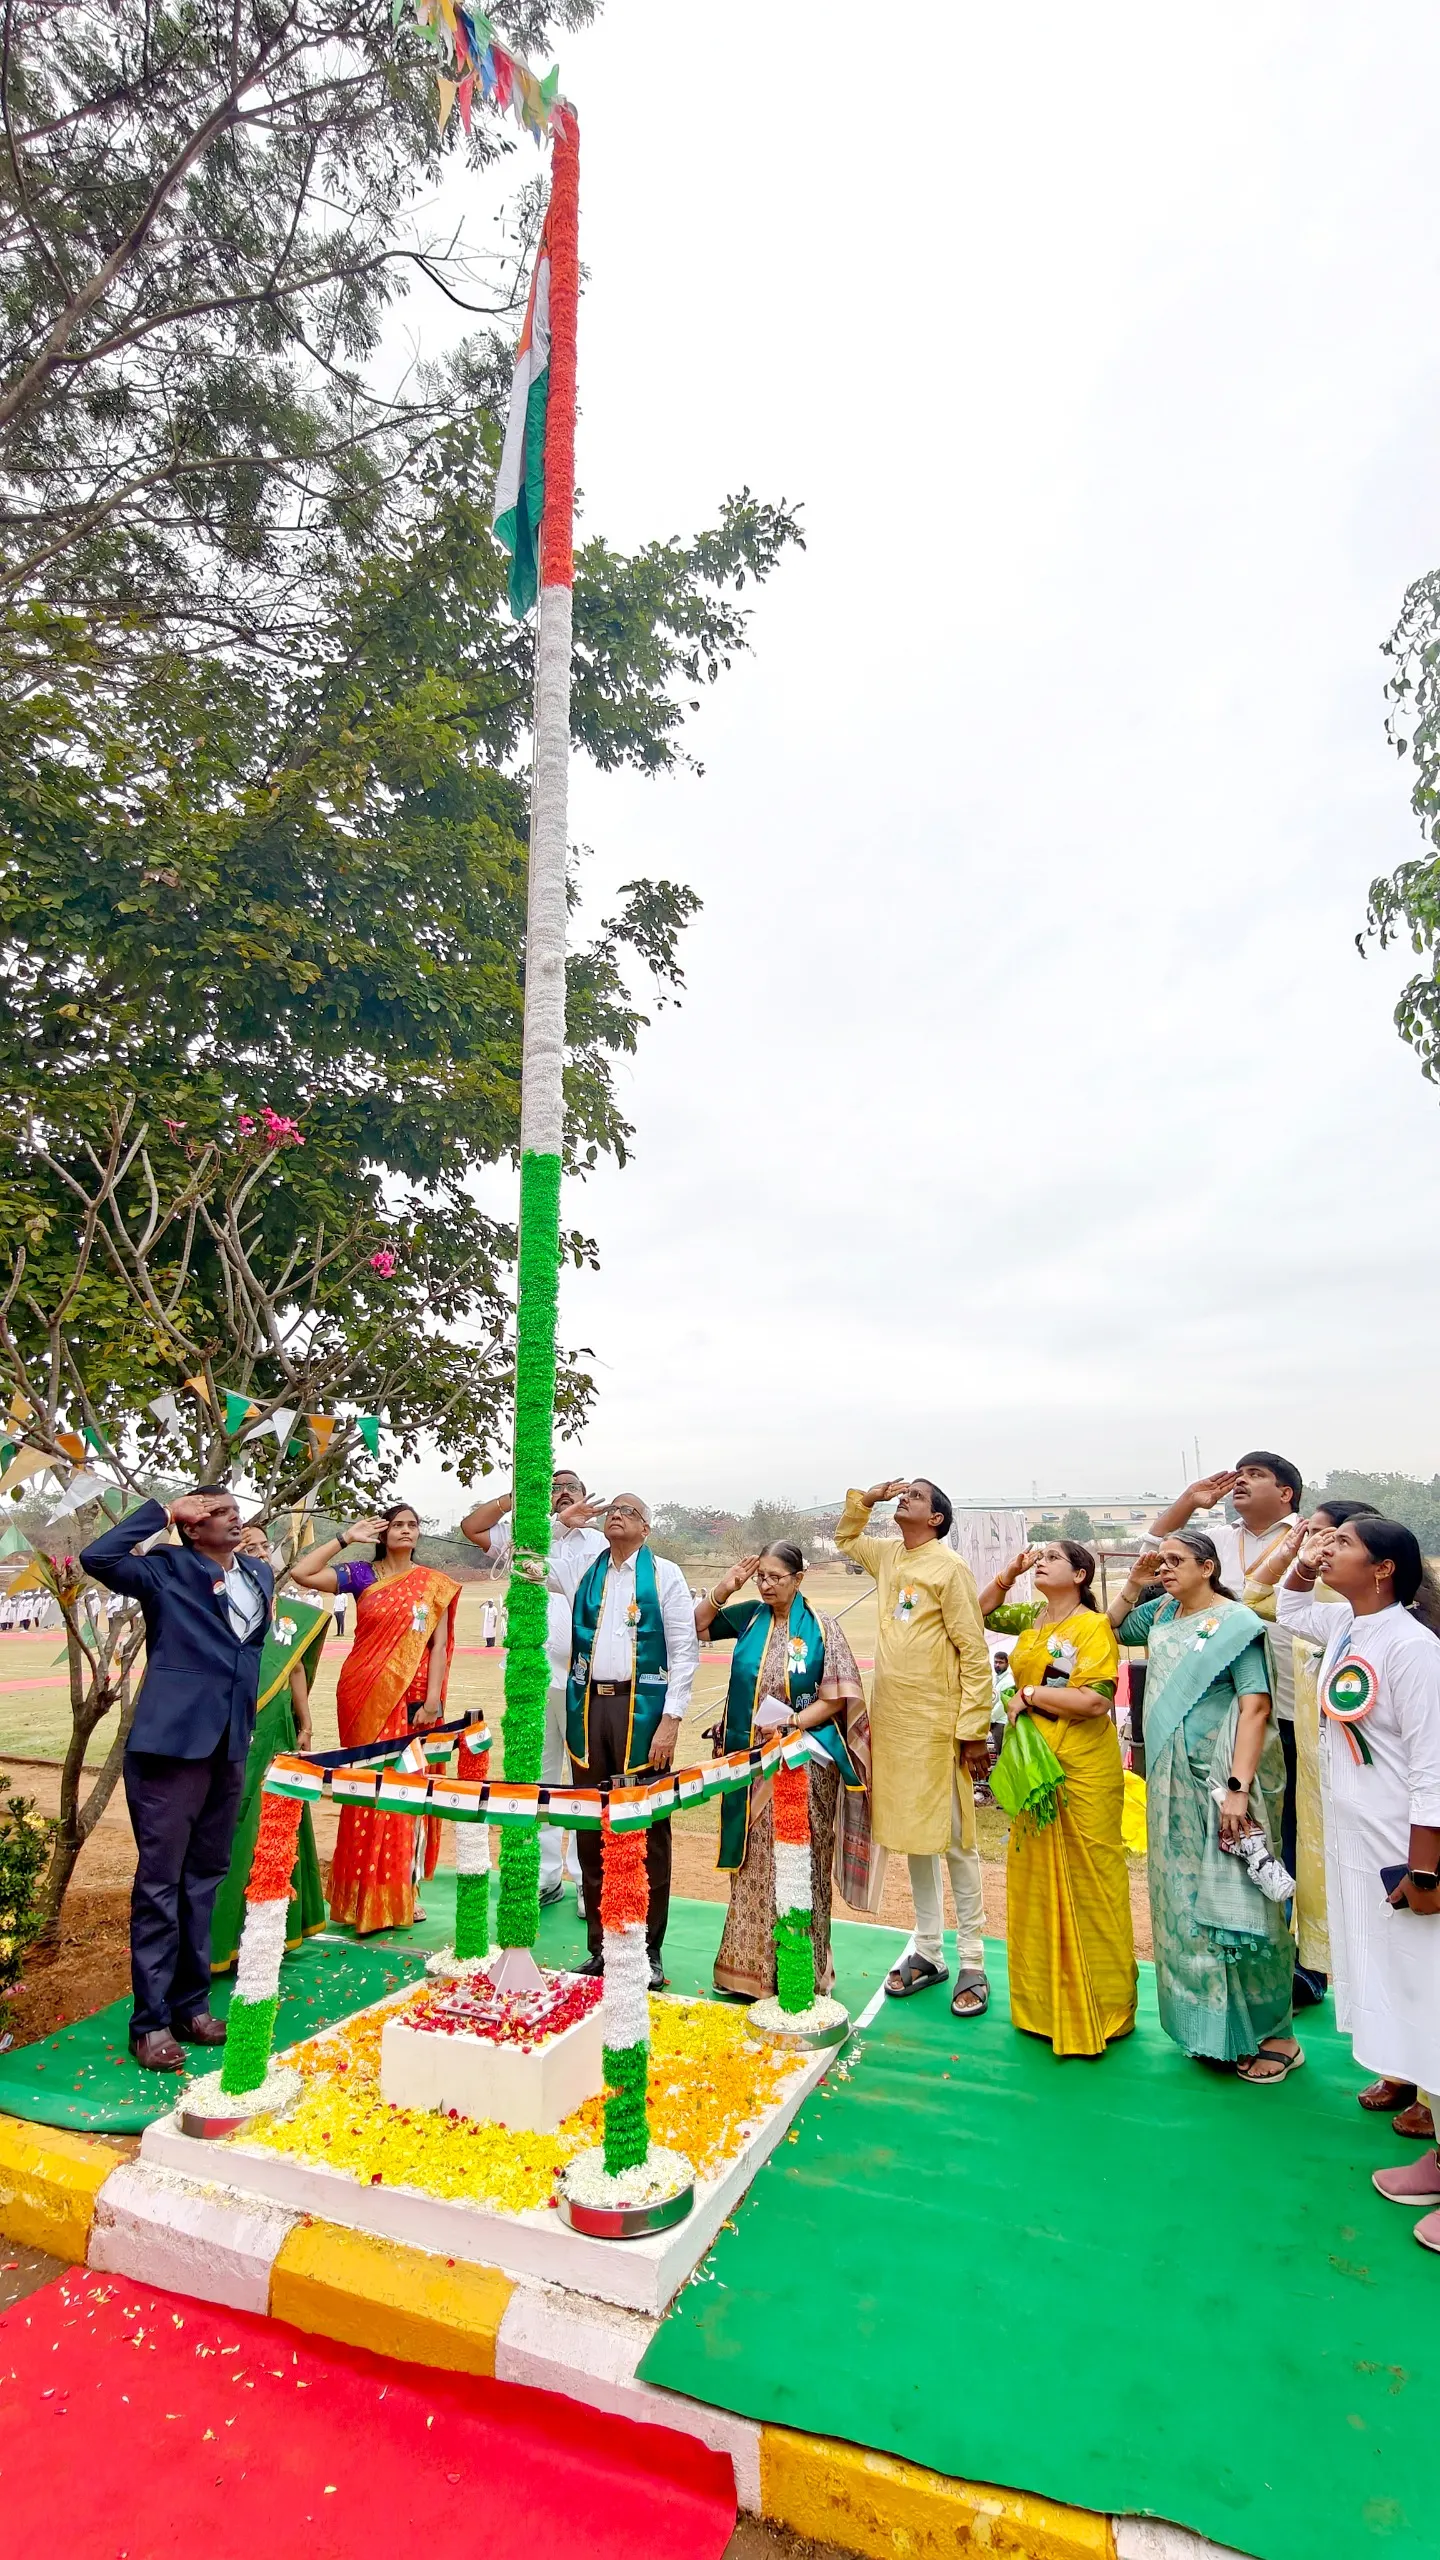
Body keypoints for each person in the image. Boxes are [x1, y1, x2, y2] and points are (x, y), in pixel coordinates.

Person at [1277, 1517, 1440, 2251]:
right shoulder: (1349, 1624)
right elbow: (1287, 1610)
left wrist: (1427, 1867)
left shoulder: (1412, 1647)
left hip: (1406, 1856)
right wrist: (1302, 1562)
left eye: (1341, 1543)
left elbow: (1435, 1767)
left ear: (1384, 1569)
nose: (1325, 1547)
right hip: (1359, 1847)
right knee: (1406, 2000)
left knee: (1431, 1998)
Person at [80, 1487, 273, 2071]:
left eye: (236, 1510)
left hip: (229, 1743)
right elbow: (99, 1559)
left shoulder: (259, 1574)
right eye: (216, 1512)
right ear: (192, 1527)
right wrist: (164, 1513)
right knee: (161, 1884)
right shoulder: (167, 1567)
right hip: (172, 1746)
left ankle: (192, 2005)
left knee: (205, 1877)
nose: (233, 1518)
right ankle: (151, 2022)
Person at [1107, 1530, 1299, 2080]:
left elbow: (1256, 1706)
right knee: (1185, 1905)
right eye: (1162, 1561)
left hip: (1220, 1784)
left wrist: (1237, 1790)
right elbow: (1114, 1626)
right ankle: (1212, 2030)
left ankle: (1275, 2035)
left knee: (1242, 1902)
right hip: (1169, 1783)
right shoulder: (1162, 1612)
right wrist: (1137, 1580)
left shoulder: (1237, 1625)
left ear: (1208, 1567)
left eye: (1176, 1561)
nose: (1165, 1568)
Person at [835, 1479, 994, 2016]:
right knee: (914, 1837)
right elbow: (845, 1537)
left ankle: (972, 1958)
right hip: (895, 1724)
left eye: (917, 1497)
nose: (907, 1500)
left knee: (953, 1840)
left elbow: (973, 1653)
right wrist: (870, 1497)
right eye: (905, 1495)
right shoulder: (888, 1556)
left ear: (937, 1519)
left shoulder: (949, 1568)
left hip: (937, 1726)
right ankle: (929, 1950)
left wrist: (973, 1729)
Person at [981, 1540, 1136, 2056]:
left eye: (1052, 1558)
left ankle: (1102, 2008)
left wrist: (1027, 1696)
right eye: (1038, 1555)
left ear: (1081, 1574)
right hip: (1035, 1765)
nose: (1040, 1561)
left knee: (1092, 1878)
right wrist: (1010, 1571)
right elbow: (976, 1611)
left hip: (1081, 1766)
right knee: (1034, 1876)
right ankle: (1043, 2006)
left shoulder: (1091, 1626)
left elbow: (1094, 1700)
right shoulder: (1032, 1617)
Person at [695, 1543, 866, 2000]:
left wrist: (791, 1722)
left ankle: (802, 1972)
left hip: (804, 1761)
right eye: (761, 1577)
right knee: (752, 1859)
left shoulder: (822, 1629)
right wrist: (725, 1588)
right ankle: (745, 1969)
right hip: (750, 1760)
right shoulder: (749, 1616)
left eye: (776, 1577)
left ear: (799, 1577)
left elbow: (837, 1696)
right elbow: (696, 1627)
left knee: (800, 1861)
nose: (766, 1585)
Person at [289, 1505, 460, 1933]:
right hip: (362, 1694)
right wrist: (346, 1538)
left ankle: (403, 1889)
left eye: (412, 1524)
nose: (406, 1530)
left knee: (408, 1790)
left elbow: (437, 1646)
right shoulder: (362, 1576)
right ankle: (361, 1894)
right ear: (383, 1533)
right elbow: (303, 1573)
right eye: (398, 1525)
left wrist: (435, 1698)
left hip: (416, 1697)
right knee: (369, 1787)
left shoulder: (433, 1584)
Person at [552, 1494, 699, 1987]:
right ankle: (602, 1946)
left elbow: (683, 1648)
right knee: (591, 1827)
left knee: (645, 1833)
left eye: (629, 1511)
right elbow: (523, 1567)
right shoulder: (580, 1569)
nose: (616, 1515)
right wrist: (558, 1525)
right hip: (589, 1708)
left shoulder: (665, 1575)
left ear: (647, 1527)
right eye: (611, 1509)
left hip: (645, 1712)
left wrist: (672, 1719)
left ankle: (646, 1950)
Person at [461, 1467, 605, 1911]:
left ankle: (586, 1879)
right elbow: (472, 1528)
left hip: (582, 1677)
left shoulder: (598, 1543)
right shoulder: (527, 1534)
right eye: (555, 1488)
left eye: (571, 1488)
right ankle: (546, 1877)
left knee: (584, 1781)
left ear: (586, 1494)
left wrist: (567, 1526)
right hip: (532, 1675)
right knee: (539, 1778)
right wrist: (519, 1500)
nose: (563, 1494)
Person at [209, 1537, 329, 1973]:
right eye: (250, 1545)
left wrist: (306, 1722)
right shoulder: (217, 1597)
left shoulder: (283, 1608)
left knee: (279, 1817)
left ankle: (275, 1927)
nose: (261, 1552)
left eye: (265, 1545)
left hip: (277, 1723)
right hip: (236, 1722)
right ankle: (224, 1937)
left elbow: (294, 1665)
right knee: (240, 1821)